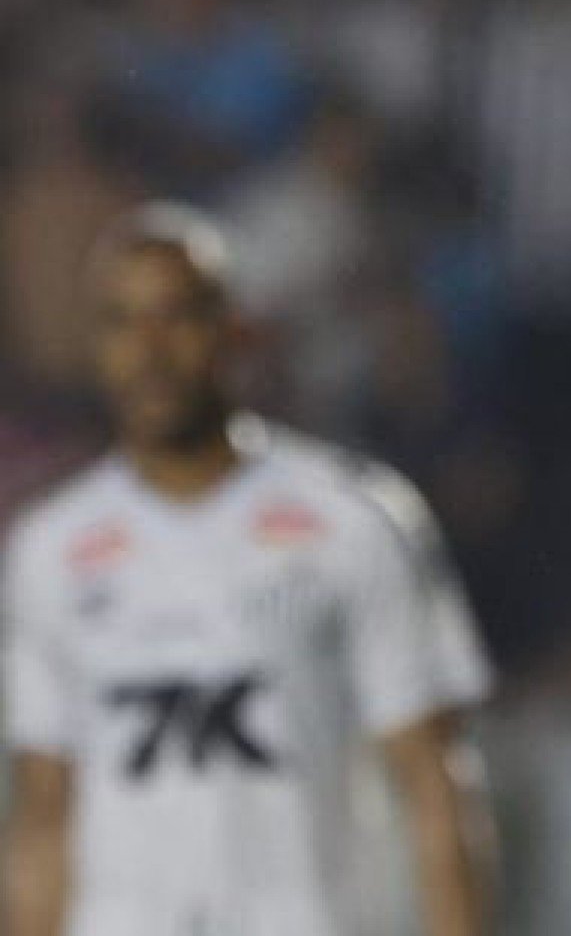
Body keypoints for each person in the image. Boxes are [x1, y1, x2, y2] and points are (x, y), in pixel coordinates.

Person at [1, 203, 495, 936]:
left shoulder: (354, 522)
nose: (151, 350)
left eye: (178, 316)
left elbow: (433, 782)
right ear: (95, 344)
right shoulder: (48, 550)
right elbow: (45, 814)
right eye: (122, 322)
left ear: (236, 330)